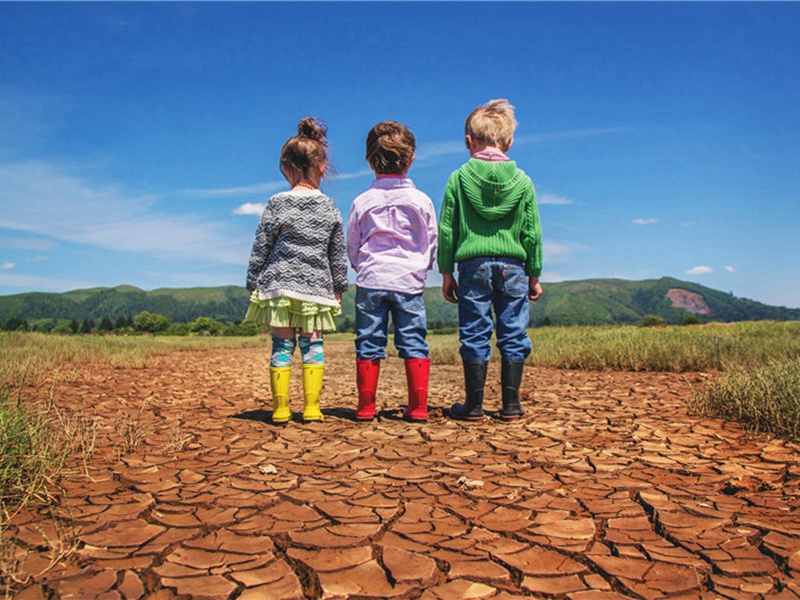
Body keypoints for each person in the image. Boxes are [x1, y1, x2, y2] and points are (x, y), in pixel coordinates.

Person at [437, 99, 543, 422]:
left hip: (472, 266)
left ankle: (474, 406)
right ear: (509, 143)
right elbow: (532, 233)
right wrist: (534, 274)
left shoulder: (457, 179)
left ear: (469, 141)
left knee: (474, 332)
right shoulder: (523, 182)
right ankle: (511, 405)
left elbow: (446, 229)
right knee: (512, 331)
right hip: (514, 267)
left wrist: (445, 271)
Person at [245, 117, 348, 424]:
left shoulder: (277, 203)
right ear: (322, 169)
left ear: (286, 169)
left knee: (282, 346)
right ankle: (313, 409)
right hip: (316, 289)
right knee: (313, 346)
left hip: (280, 288)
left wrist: (253, 281)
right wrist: (339, 286)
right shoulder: (329, 205)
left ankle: (280, 409)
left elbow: (261, 244)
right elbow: (337, 252)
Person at [346, 121, 438, 422]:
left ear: (370, 161)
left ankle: (366, 407)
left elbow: (353, 244)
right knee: (413, 341)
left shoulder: (362, 201)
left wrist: (364, 268)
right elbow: (431, 241)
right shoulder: (421, 201)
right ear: (411, 160)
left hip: (371, 280)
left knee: (369, 341)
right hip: (408, 281)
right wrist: (420, 270)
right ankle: (418, 407)